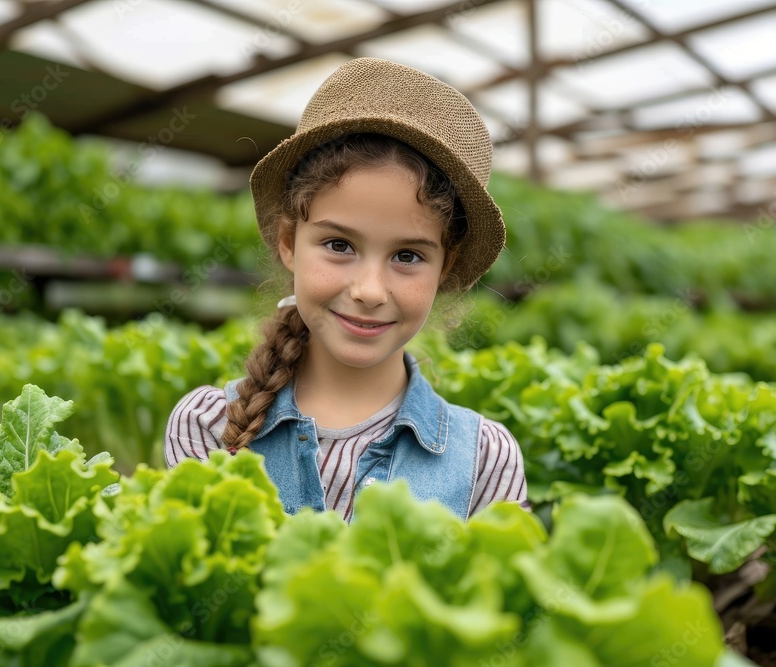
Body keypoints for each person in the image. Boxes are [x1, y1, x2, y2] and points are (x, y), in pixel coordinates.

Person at [164, 57, 527, 522]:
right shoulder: (207, 427)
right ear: (290, 243)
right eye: (339, 245)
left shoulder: (486, 460)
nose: (370, 290)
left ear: (444, 269)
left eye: (408, 256)